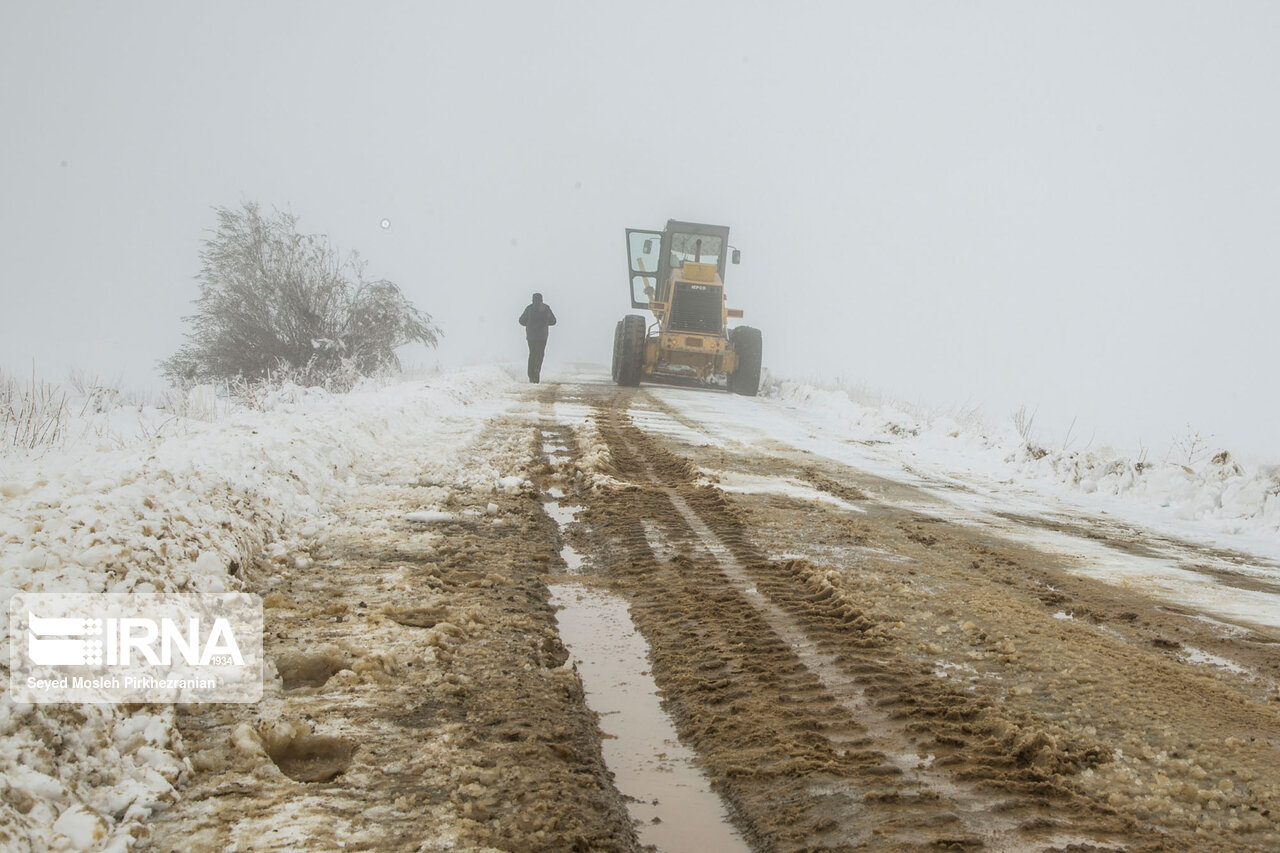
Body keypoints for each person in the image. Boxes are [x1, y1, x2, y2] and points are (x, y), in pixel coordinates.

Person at [518, 292, 557, 383]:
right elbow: (553, 321)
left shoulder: (529, 308)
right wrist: (545, 323)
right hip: (542, 336)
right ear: (541, 299)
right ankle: (536, 371)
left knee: (532, 354)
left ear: (532, 299)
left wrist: (529, 324)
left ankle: (530, 375)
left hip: (531, 336)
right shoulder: (546, 308)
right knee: (540, 354)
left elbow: (521, 321)